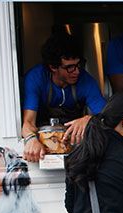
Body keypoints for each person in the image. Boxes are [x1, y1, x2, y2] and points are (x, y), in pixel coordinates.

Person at [22, 32, 106, 162]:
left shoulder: (86, 80)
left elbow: (107, 116)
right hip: (47, 144)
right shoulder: (36, 78)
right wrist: (31, 139)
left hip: (74, 143)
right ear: (53, 67)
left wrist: (89, 119)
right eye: (70, 67)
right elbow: (28, 122)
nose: (77, 71)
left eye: (78, 65)